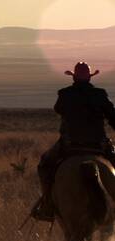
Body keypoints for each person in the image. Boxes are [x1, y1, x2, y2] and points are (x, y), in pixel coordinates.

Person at [32, 62, 115, 222]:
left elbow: (58, 109)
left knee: (45, 164)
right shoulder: (100, 95)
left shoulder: (65, 94)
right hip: (98, 145)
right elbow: (113, 117)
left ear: (74, 78)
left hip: (70, 145)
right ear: (90, 78)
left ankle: (47, 205)